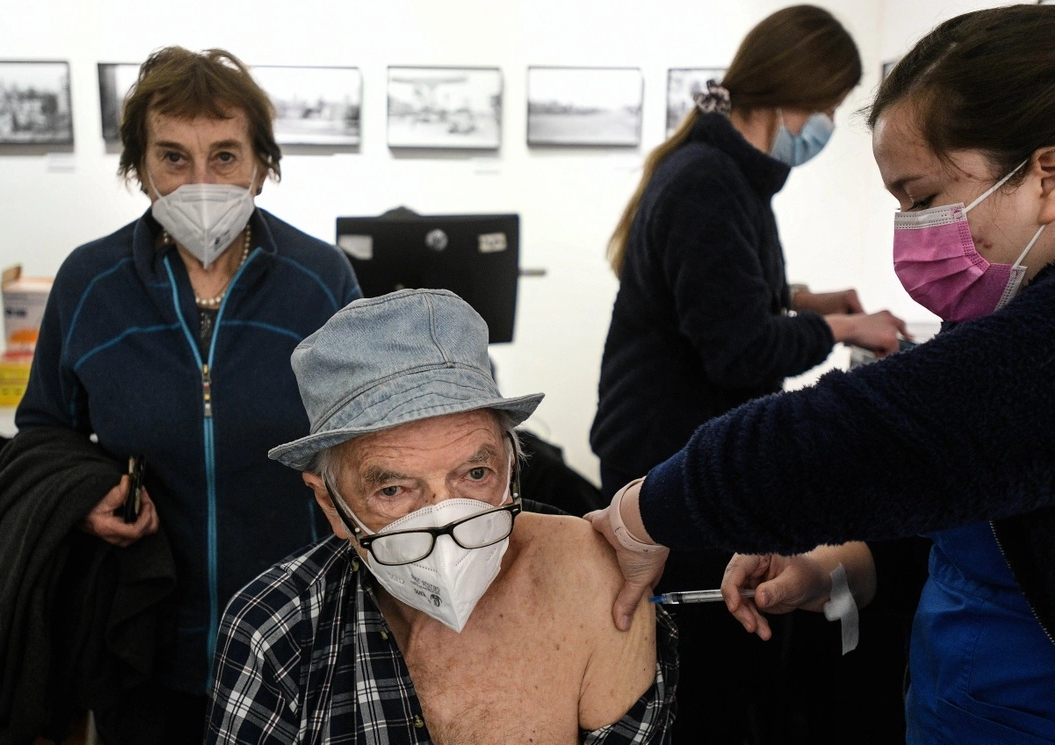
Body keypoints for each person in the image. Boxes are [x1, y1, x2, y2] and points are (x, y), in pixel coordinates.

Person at [589, 5, 1055, 743]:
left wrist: (641, 514)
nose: (911, 228)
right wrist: (844, 566)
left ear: (1044, 176)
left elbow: (872, 435)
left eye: (922, 199)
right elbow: (953, 512)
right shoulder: (710, 178)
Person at [15, 46, 361, 741]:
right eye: (173, 157)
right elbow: (44, 428)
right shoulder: (90, 283)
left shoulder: (321, 280)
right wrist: (84, 499)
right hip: (139, 636)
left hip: (296, 631)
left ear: (261, 165)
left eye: (225, 156)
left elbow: (369, 432)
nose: (201, 181)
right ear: (139, 169)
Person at [589, 6, 908, 742]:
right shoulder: (707, 179)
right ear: (795, 91)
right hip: (668, 455)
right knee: (707, 676)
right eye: (827, 108)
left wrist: (804, 301)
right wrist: (841, 329)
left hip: (672, 444)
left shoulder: (726, 172)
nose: (824, 126)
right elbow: (736, 348)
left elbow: (719, 291)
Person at [206, 289, 678, 744]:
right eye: (393, 489)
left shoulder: (595, 583)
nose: (444, 522)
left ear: (512, 467)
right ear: (331, 503)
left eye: (475, 473)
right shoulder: (276, 629)